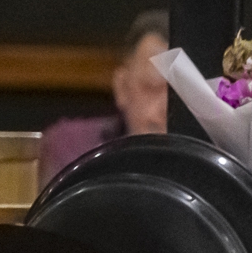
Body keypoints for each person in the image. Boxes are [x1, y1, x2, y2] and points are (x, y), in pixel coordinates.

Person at [40, 10, 170, 182]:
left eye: (182, 95)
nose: (167, 107)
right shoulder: (72, 146)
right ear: (122, 87)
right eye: (152, 87)